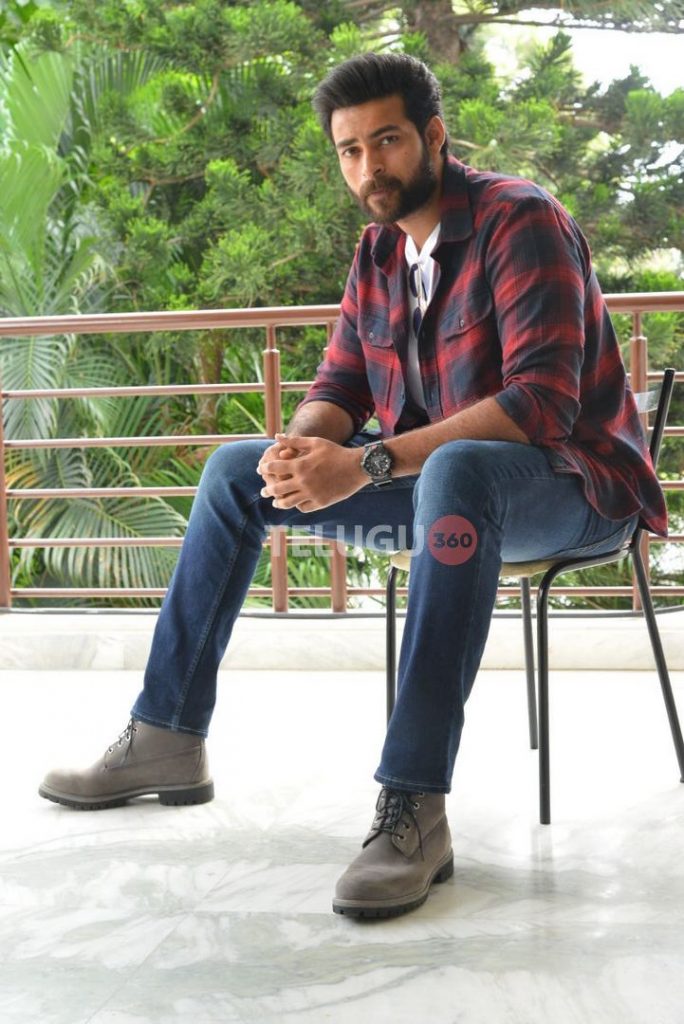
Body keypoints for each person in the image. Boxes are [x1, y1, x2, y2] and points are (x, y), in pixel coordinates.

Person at [39, 52, 667, 919]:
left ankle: (414, 805)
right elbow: (340, 385)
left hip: (573, 493)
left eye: (388, 140)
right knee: (233, 471)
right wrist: (298, 450)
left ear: (434, 137)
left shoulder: (520, 219)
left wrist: (366, 464)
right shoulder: (378, 252)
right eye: (350, 150)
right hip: (446, 497)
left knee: (454, 468)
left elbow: (541, 403)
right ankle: (166, 735)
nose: (370, 166)